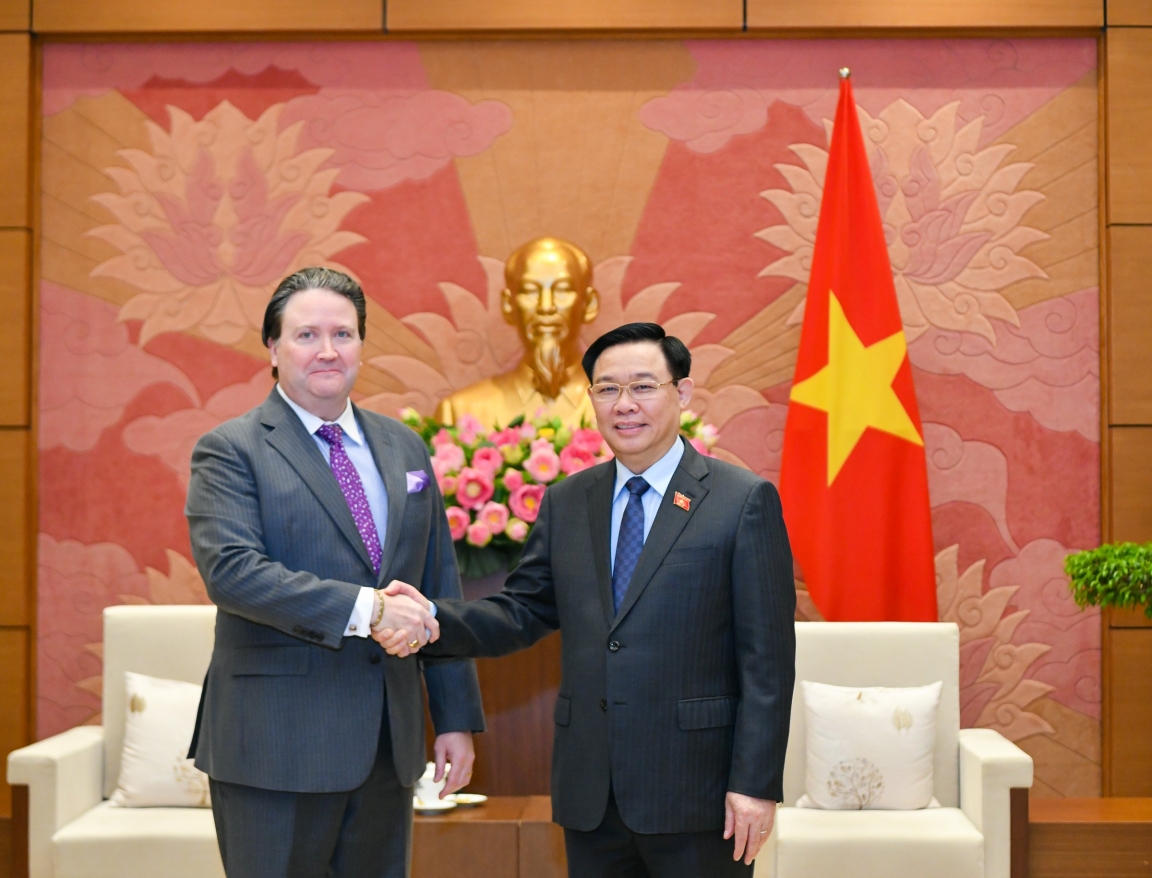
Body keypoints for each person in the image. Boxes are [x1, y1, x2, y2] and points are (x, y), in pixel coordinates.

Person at [380, 323, 796, 877]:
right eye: (607, 389)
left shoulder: (741, 500)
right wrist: (433, 617)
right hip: (592, 795)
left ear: (682, 393)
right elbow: (522, 610)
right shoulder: (568, 501)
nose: (624, 405)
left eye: (643, 387)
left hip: (699, 794)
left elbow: (767, 661)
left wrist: (754, 784)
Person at [185, 266, 485, 878]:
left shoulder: (404, 446)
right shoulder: (231, 449)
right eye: (306, 335)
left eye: (343, 334)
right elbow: (233, 572)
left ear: (361, 346)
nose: (327, 351)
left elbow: (437, 586)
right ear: (273, 348)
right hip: (274, 746)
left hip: (387, 745)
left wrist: (455, 717)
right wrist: (370, 609)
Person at [435, 236, 600, 428]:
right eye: (529, 291)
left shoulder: (622, 409)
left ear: (589, 304)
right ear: (508, 305)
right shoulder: (460, 412)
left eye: (562, 290)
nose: (546, 307)